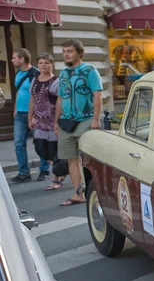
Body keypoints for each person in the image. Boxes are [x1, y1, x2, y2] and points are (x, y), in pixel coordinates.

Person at [55, 39, 103, 206]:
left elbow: (97, 95)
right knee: (71, 159)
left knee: (87, 159)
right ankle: (78, 194)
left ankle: (97, 191)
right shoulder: (63, 73)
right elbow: (61, 98)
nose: (66, 54)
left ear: (79, 53)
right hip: (66, 122)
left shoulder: (89, 71)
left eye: (70, 51)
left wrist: (96, 120)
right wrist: (56, 122)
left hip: (86, 119)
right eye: (64, 51)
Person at [10, 48, 50, 183]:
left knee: (40, 142)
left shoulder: (35, 74)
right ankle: (24, 173)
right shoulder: (18, 74)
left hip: (34, 115)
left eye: (14, 58)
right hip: (20, 115)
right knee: (19, 143)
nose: (12, 60)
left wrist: (34, 115)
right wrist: (15, 109)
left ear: (22, 59)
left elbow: (39, 97)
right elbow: (19, 92)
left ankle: (44, 170)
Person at [28, 53, 64, 191]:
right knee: (41, 150)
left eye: (47, 63)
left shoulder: (56, 81)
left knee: (53, 151)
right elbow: (32, 99)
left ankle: (55, 179)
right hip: (39, 121)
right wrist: (30, 117)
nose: (44, 65)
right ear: (38, 65)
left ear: (52, 64)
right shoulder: (35, 80)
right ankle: (62, 168)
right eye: (41, 63)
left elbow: (61, 101)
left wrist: (57, 121)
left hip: (53, 121)